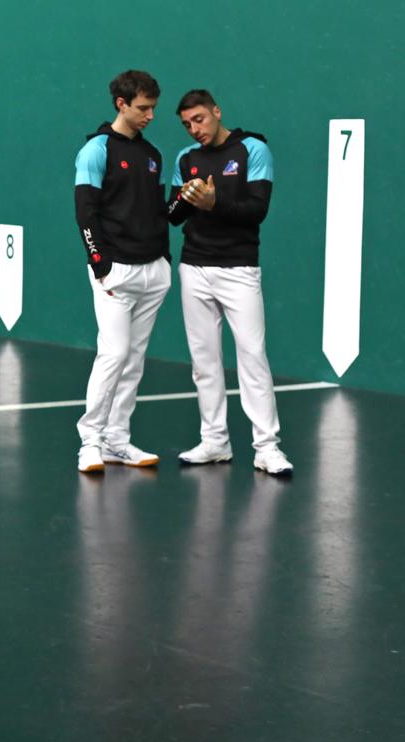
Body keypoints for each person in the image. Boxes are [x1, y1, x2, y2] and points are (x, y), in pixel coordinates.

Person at [169, 90, 293, 475]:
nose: (194, 130)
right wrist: (188, 200)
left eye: (200, 120)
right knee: (204, 362)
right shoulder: (185, 159)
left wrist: (212, 203)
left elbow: (258, 210)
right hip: (194, 268)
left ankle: (267, 448)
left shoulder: (252, 149)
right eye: (187, 124)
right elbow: (172, 216)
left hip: (239, 268)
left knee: (252, 357)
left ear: (217, 112)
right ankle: (214, 441)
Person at [73, 70, 172, 474]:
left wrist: (189, 203)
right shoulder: (96, 150)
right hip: (115, 273)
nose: (150, 116)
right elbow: (85, 212)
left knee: (133, 359)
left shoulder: (153, 156)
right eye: (144, 108)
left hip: (154, 271)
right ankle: (90, 442)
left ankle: (117, 440)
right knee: (112, 355)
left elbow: (163, 213)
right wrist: (101, 264)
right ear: (122, 104)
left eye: (153, 108)